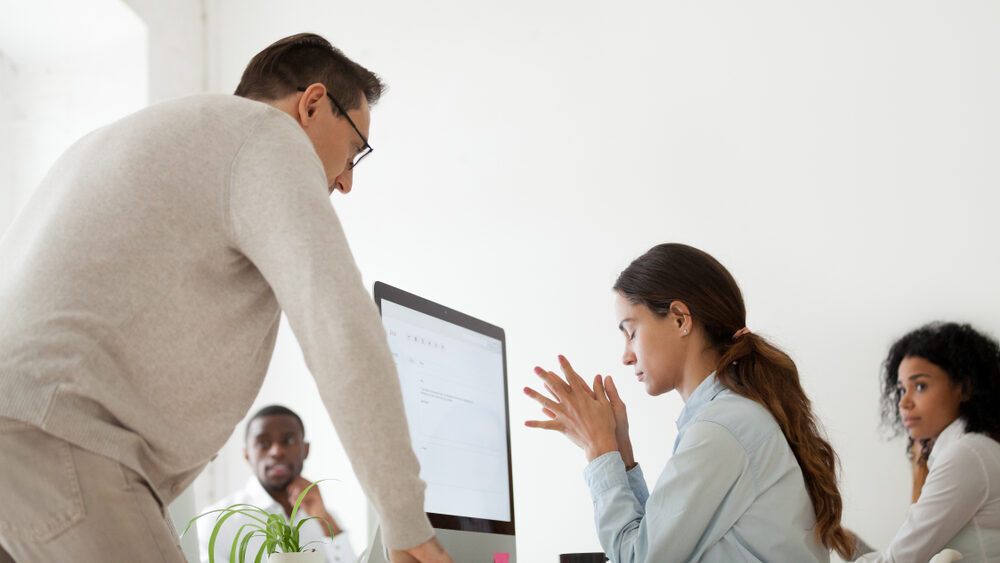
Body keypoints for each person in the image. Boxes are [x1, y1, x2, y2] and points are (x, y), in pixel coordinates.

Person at [0, 33, 450, 562]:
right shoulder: (267, 137)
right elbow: (340, 328)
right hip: (62, 444)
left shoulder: (150, 136)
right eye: (355, 149)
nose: (347, 182)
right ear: (311, 104)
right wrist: (406, 524)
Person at [524, 243, 855, 562]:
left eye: (631, 332)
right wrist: (622, 457)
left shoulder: (722, 428)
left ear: (680, 318)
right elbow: (661, 544)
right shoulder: (729, 417)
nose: (626, 356)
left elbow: (640, 558)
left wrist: (599, 451)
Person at [855, 322, 1000, 562]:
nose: (904, 403)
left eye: (920, 386)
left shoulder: (966, 455)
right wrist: (853, 546)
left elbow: (900, 560)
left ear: (964, 388)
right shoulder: (978, 449)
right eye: (901, 390)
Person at [198, 405, 356, 563]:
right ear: (247, 455)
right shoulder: (217, 521)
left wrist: (324, 521)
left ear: (305, 449)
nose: (276, 451)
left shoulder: (326, 519)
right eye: (263, 443)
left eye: (288, 441)